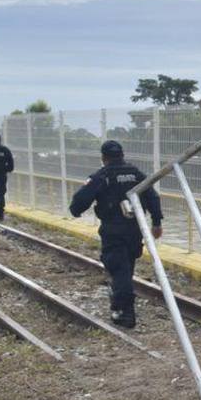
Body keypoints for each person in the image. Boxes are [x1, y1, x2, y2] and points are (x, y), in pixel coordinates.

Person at [69, 140, 163, 329]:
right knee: (127, 268)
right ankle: (120, 303)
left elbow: (81, 199)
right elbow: (152, 196)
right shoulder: (136, 174)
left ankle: (125, 312)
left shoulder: (102, 175)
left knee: (119, 270)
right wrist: (157, 222)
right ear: (122, 155)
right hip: (135, 229)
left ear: (103, 158)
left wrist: (76, 210)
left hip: (113, 230)